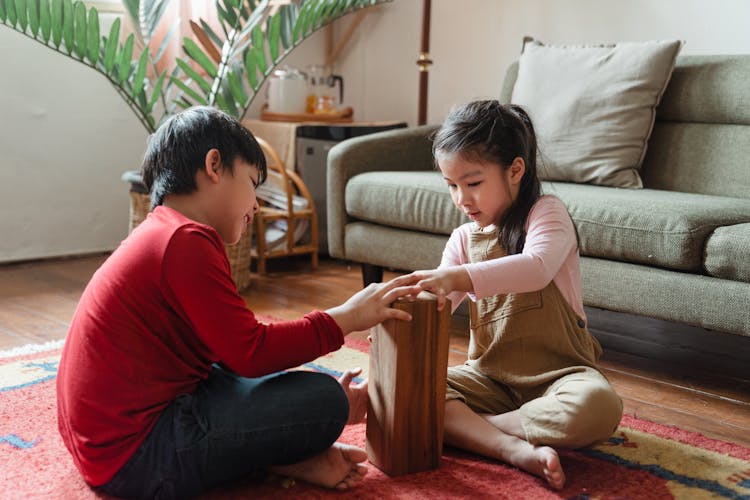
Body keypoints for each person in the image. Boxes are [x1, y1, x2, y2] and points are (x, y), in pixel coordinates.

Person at [56, 106, 421, 499]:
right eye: (253, 183)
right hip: (138, 458)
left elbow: (230, 355)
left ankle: (283, 454)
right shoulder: (186, 241)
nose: (257, 205)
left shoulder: (163, 231)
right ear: (214, 165)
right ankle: (284, 453)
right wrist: (346, 317)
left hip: (109, 445)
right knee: (324, 399)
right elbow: (252, 352)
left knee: (248, 376)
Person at [407, 100, 623, 490]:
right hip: (488, 380)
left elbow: (537, 267)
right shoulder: (462, 240)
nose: (461, 199)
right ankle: (512, 447)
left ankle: (481, 433)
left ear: (515, 170)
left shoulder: (547, 214)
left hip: (561, 377)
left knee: (600, 406)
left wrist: (454, 277)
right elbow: (435, 308)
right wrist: (399, 323)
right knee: (406, 388)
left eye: (473, 183)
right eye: (452, 186)